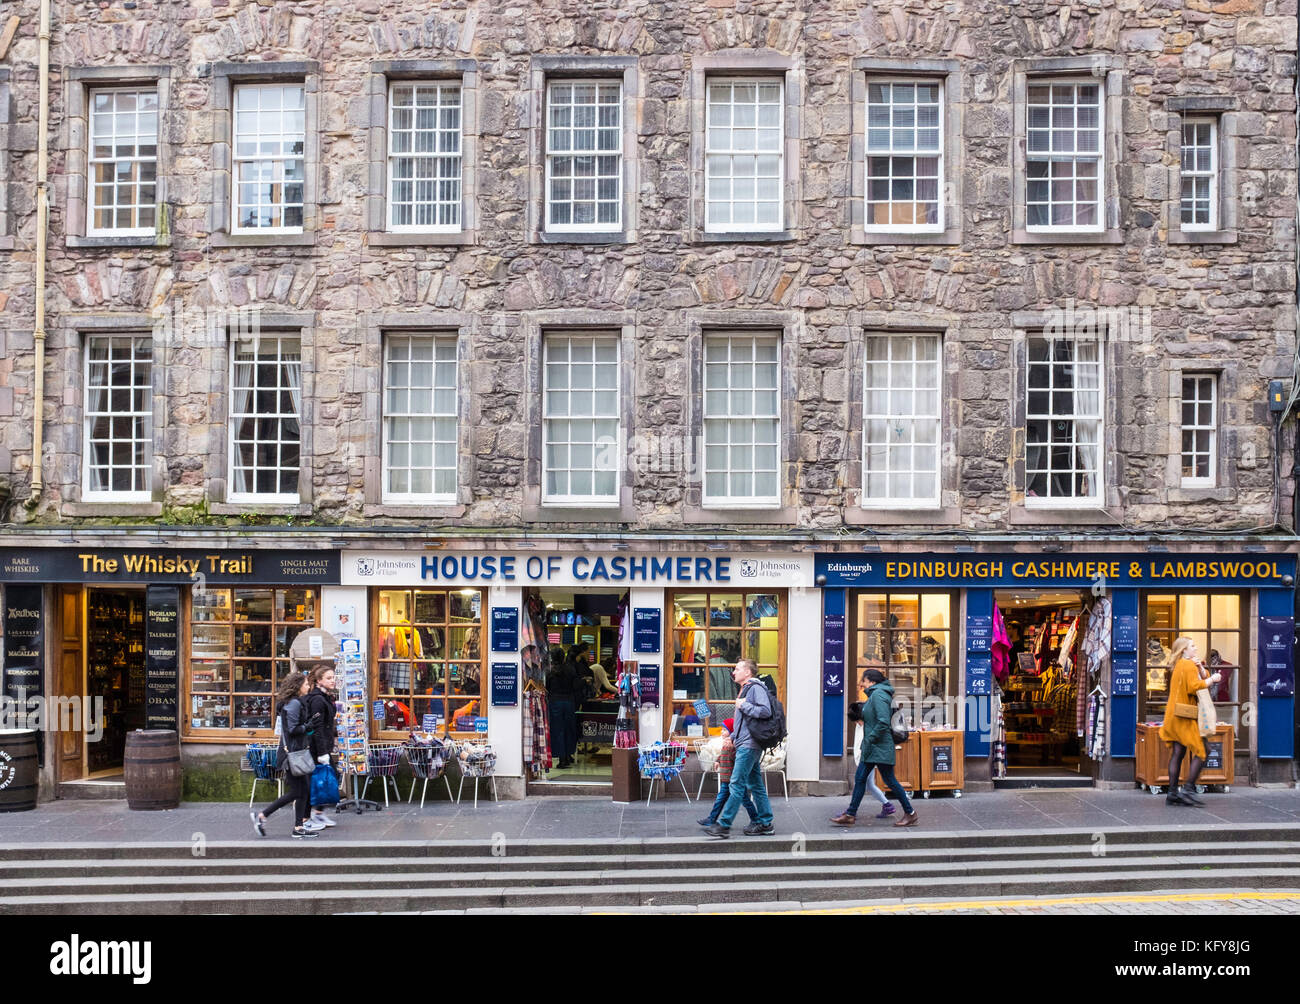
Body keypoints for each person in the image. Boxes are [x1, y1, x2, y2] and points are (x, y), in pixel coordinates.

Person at [703, 659, 775, 838]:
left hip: (749, 745)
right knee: (756, 785)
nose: (733, 672)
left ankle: (724, 824)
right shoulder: (746, 689)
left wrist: (743, 705)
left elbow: (765, 711)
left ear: (748, 672)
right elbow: (742, 723)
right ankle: (766, 822)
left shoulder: (756, 688)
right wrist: (733, 738)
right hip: (745, 742)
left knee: (735, 783)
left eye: (737, 668)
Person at [251, 671, 321, 839]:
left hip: (294, 752)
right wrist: (308, 726)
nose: (308, 686)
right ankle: (262, 815)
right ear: (297, 687)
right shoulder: (294, 704)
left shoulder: (294, 703)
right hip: (292, 755)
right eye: (305, 684)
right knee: (296, 792)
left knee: (303, 791)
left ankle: (298, 827)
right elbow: (293, 729)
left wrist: (309, 727)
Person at [1159, 636, 1221, 807]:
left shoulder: (1181, 664)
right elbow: (1194, 686)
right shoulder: (1187, 665)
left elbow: (1200, 675)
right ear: (1184, 650)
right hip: (1185, 717)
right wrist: (1213, 680)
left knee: (1178, 753)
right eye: (1192, 646)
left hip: (1174, 715)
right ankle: (1188, 789)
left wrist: (1200, 666)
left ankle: (1172, 793)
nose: (1196, 647)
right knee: (1203, 750)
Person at [859, 668, 918, 827]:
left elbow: (883, 721)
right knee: (861, 778)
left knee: (889, 781)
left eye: (863, 681)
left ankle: (910, 813)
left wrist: (869, 739)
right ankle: (850, 813)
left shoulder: (878, 695)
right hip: (875, 746)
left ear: (871, 682)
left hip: (878, 746)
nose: (860, 684)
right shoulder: (876, 695)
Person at [829, 698, 895, 824]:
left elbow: (864, 743)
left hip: (866, 759)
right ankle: (886, 805)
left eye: (857, 720)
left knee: (861, 784)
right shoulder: (861, 725)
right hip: (864, 759)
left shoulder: (867, 726)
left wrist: (861, 760)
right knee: (868, 785)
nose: (856, 723)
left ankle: (851, 811)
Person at [698, 717, 758, 828]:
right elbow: (722, 755)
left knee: (745, 800)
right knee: (720, 799)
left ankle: (755, 819)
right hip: (726, 779)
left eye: (724, 730)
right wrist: (718, 761)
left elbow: (737, 760)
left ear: (731, 731)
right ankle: (712, 819)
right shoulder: (726, 743)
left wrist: (731, 749)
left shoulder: (734, 745)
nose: (722, 732)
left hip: (734, 779)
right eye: (722, 730)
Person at [303, 664, 339, 831]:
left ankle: (317, 812)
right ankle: (307, 817)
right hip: (316, 748)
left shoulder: (325, 697)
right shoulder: (317, 699)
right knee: (316, 782)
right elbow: (317, 728)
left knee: (328, 779)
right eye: (329, 678)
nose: (333, 680)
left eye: (333, 677)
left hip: (323, 745)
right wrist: (322, 752)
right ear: (319, 681)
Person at [547, 647, 580, 768]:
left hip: (555, 703)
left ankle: (561, 759)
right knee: (569, 729)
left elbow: (547, 688)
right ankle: (567, 756)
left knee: (558, 730)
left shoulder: (550, 671)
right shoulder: (570, 669)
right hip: (569, 702)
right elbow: (576, 686)